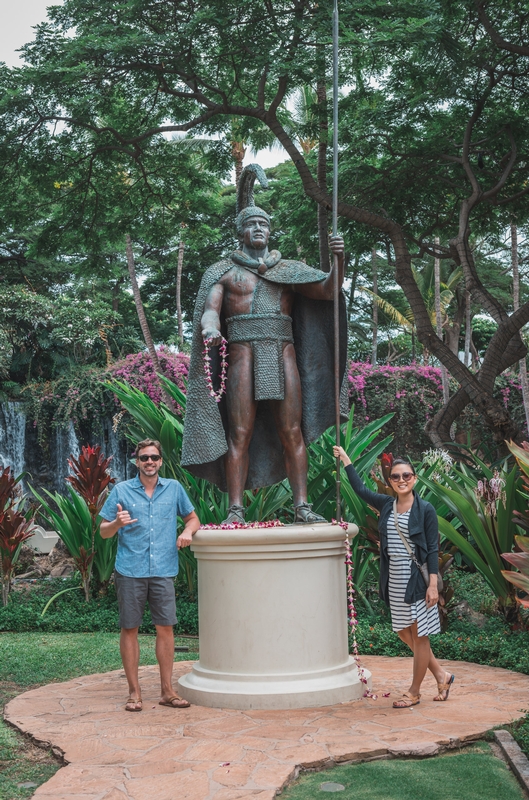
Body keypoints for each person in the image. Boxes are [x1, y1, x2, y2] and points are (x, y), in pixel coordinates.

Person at [182, 164, 348, 525]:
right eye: (252, 224)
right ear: (241, 231)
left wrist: (339, 259)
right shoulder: (224, 272)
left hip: (282, 352)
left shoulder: (286, 270)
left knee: (293, 431)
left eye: (264, 224)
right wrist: (211, 329)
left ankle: (302, 506)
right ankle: (236, 510)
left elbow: (328, 289)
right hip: (242, 354)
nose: (259, 229)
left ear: (270, 232)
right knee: (239, 432)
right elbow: (210, 312)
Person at [333, 445, 454, 708]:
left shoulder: (426, 510)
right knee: (403, 631)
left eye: (406, 476)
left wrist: (433, 584)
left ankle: (414, 692)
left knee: (420, 635)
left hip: (418, 579)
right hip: (395, 577)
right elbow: (361, 491)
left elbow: (433, 548)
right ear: (390, 481)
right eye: (396, 477)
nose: (401, 480)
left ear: (415, 478)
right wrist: (346, 460)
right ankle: (442, 676)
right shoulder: (387, 504)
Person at [100, 439, 200, 712]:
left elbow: (193, 518)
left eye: (154, 457)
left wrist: (187, 531)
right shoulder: (121, 491)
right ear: (137, 462)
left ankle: (167, 692)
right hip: (130, 570)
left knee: (165, 628)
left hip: (163, 569)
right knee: (129, 628)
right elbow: (103, 531)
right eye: (144, 458)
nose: (149, 462)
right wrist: (116, 523)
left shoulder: (174, 489)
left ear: (160, 461)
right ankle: (134, 693)